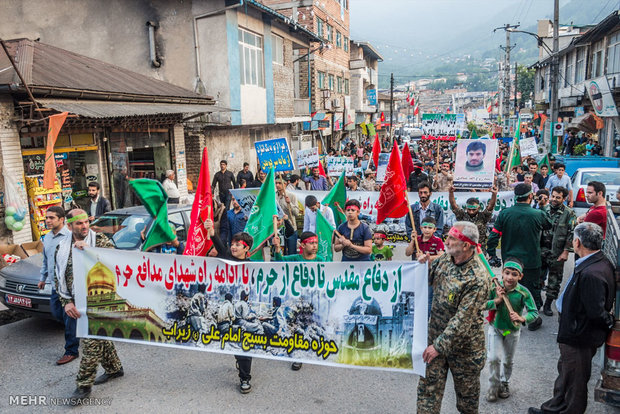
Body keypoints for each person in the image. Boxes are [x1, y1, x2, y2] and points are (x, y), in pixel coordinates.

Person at [529, 223, 615, 414]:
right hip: (574, 332)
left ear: (577, 242)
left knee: (575, 381)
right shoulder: (593, 263)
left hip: (579, 336)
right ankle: (553, 408)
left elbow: (596, 312)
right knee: (567, 374)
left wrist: (608, 323)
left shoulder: (592, 273)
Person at [416, 222, 491, 414]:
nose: (446, 241)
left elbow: (462, 320)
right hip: (435, 341)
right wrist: (423, 266)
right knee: (427, 397)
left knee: (467, 403)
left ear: (466, 245)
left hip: (465, 350)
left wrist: (438, 346)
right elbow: (429, 280)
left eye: (451, 238)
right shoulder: (445, 259)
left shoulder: (478, 278)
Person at [58, 209, 123, 401]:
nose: (84, 226)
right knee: (99, 337)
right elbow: (58, 276)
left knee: (90, 342)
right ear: (69, 226)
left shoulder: (99, 240)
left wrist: (89, 250)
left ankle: (83, 386)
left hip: (99, 301)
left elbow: (116, 261)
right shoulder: (61, 247)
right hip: (77, 303)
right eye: (79, 223)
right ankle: (114, 368)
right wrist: (66, 302)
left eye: (86, 222)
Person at [487, 183, 551, 331]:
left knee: (509, 288)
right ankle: (532, 318)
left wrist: (491, 253)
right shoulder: (538, 214)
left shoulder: (504, 213)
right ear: (530, 196)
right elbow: (548, 224)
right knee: (532, 289)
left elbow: (494, 235)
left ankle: (507, 317)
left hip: (511, 262)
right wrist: (542, 206)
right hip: (531, 261)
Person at [203, 219, 257, 394]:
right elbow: (216, 241)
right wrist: (210, 229)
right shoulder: (226, 257)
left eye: (238, 245)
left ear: (246, 248)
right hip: (227, 313)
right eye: (232, 244)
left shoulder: (255, 266)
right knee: (234, 344)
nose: (233, 247)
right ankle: (241, 364)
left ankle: (244, 379)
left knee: (244, 346)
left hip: (244, 314)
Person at [486, 258, 538, 402]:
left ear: (520, 276)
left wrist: (522, 318)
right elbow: (483, 304)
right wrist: (496, 300)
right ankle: (493, 386)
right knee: (493, 358)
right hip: (495, 328)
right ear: (502, 273)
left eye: (514, 274)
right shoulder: (495, 288)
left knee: (508, 360)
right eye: (507, 273)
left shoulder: (523, 292)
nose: (510, 277)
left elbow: (534, 313)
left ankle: (504, 383)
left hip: (511, 331)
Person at [37, 206, 75, 365]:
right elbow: (46, 260)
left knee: (69, 318)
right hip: (54, 285)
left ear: (61, 219)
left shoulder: (70, 237)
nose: (48, 221)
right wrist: (43, 277)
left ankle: (71, 350)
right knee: (57, 313)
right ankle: (77, 330)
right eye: (47, 218)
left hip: (68, 287)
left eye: (51, 218)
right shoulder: (46, 238)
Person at [540, 186, 576, 317]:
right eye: (553, 196)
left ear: (564, 199)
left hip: (557, 251)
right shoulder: (544, 209)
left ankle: (548, 304)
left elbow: (571, 234)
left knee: (554, 280)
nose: (554, 199)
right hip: (542, 250)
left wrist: (566, 251)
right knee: (538, 278)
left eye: (558, 197)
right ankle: (537, 302)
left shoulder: (569, 213)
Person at [448, 185, 497, 251]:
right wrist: (451, 193)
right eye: (469, 209)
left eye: (474, 209)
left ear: (478, 208)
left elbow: (491, 206)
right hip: (464, 249)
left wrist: (494, 194)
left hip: (479, 249)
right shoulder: (462, 216)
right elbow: (453, 205)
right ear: (466, 208)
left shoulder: (483, 216)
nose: (471, 212)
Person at [275, 179, 300, 256]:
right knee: (279, 253)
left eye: (280, 183)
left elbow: (296, 213)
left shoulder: (291, 196)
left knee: (291, 253)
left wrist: (289, 203)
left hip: (291, 228)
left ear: (285, 184)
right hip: (278, 229)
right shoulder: (274, 196)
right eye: (276, 183)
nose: (277, 185)